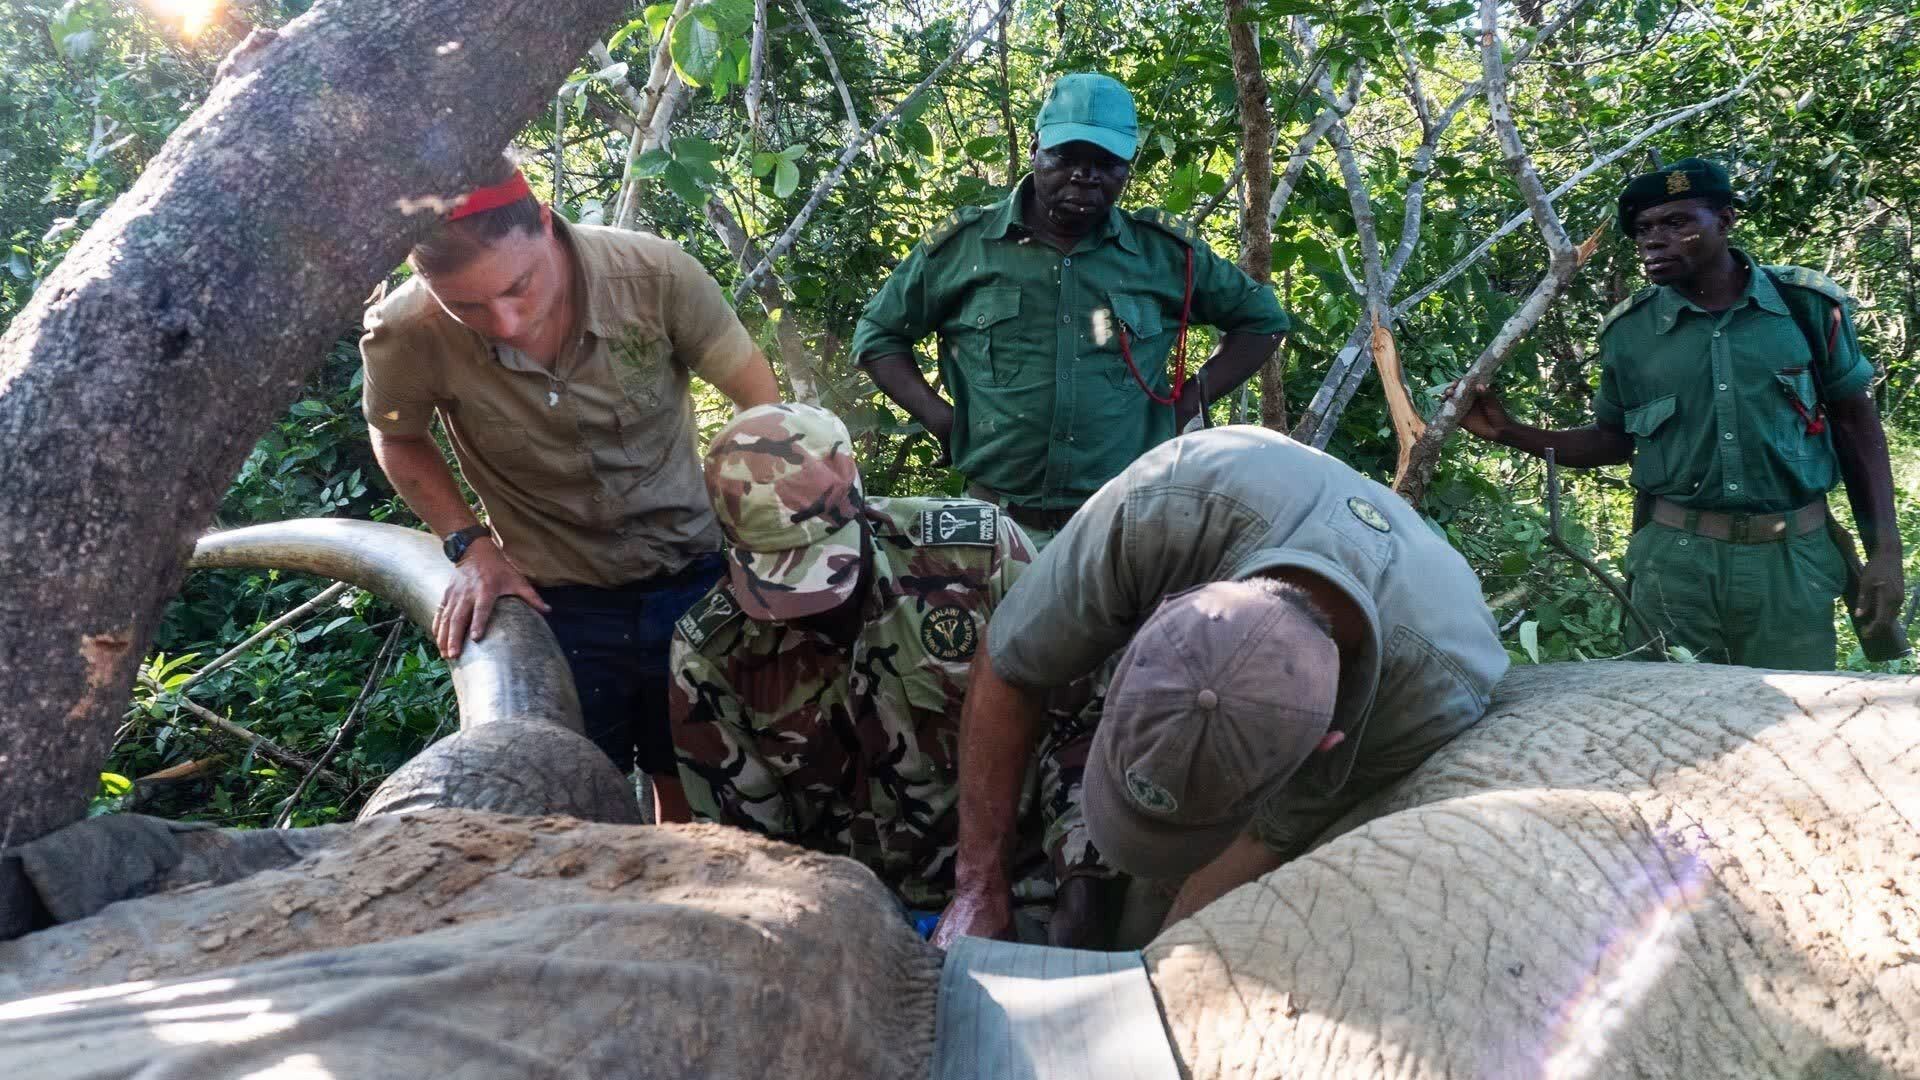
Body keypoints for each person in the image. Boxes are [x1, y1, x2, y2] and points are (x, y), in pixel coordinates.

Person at [933, 425, 1510, 946]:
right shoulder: (1162, 504)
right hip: (1226, 503)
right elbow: (1011, 663)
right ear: (1143, 626)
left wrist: (1149, 970)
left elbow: (1265, 836)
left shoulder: (1432, 692)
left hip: (1413, 641)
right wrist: (978, 889)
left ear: (1322, 746)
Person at [360, 155, 781, 817]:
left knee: (696, 782)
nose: (505, 322)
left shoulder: (655, 275)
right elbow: (397, 435)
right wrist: (471, 547)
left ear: (548, 225)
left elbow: (759, 402)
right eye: (466, 306)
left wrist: (760, 540)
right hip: (554, 594)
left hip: (692, 570)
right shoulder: (406, 331)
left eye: (520, 286)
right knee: (573, 800)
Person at [667, 403, 1113, 945]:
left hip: (1027, 887)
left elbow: (1082, 727)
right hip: (840, 925)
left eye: (821, 567)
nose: (810, 610)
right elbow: (748, 860)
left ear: (858, 510)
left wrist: (1081, 894)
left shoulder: (977, 558)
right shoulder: (710, 655)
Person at [1453, 157, 1906, 668]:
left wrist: (1885, 552)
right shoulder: (1630, 333)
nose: (1654, 239)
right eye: (1644, 228)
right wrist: (1510, 431)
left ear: (1726, 220)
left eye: (1677, 222)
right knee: (1666, 725)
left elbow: (1855, 425)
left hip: (1791, 561)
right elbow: (1613, 440)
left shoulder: (1806, 308)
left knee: (1788, 726)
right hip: (1675, 565)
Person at [850, 72, 1291, 547]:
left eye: (1106, 162)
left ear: (1128, 166)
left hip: (1125, 520)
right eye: (1067, 156)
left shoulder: (1164, 254)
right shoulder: (965, 247)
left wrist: (1190, 400)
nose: (1085, 174)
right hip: (997, 523)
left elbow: (1262, 321)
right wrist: (940, 418)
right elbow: (878, 336)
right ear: (1037, 148)